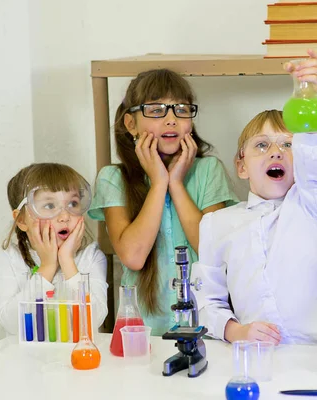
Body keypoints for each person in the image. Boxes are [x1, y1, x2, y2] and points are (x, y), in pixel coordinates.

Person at [191, 50, 317, 345]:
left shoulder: (311, 204)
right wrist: (235, 331)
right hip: (254, 356)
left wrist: (306, 96)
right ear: (242, 166)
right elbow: (206, 302)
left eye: (288, 145)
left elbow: (316, 163)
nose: (275, 152)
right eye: (261, 145)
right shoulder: (216, 224)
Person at [88, 69, 238, 336]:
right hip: (142, 332)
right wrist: (159, 183)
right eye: (156, 110)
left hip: (205, 326)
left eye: (181, 109)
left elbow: (211, 250)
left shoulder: (208, 170)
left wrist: (176, 184)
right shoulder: (113, 178)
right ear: (130, 124)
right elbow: (133, 257)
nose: (171, 120)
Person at [0, 162, 108, 335]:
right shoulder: (9, 258)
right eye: (49, 206)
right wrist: (47, 266)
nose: (64, 216)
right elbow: (11, 324)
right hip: (27, 360)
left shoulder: (91, 256)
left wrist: (67, 262)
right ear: (22, 220)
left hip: (78, 359)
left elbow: (95, 319)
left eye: (73, 203)